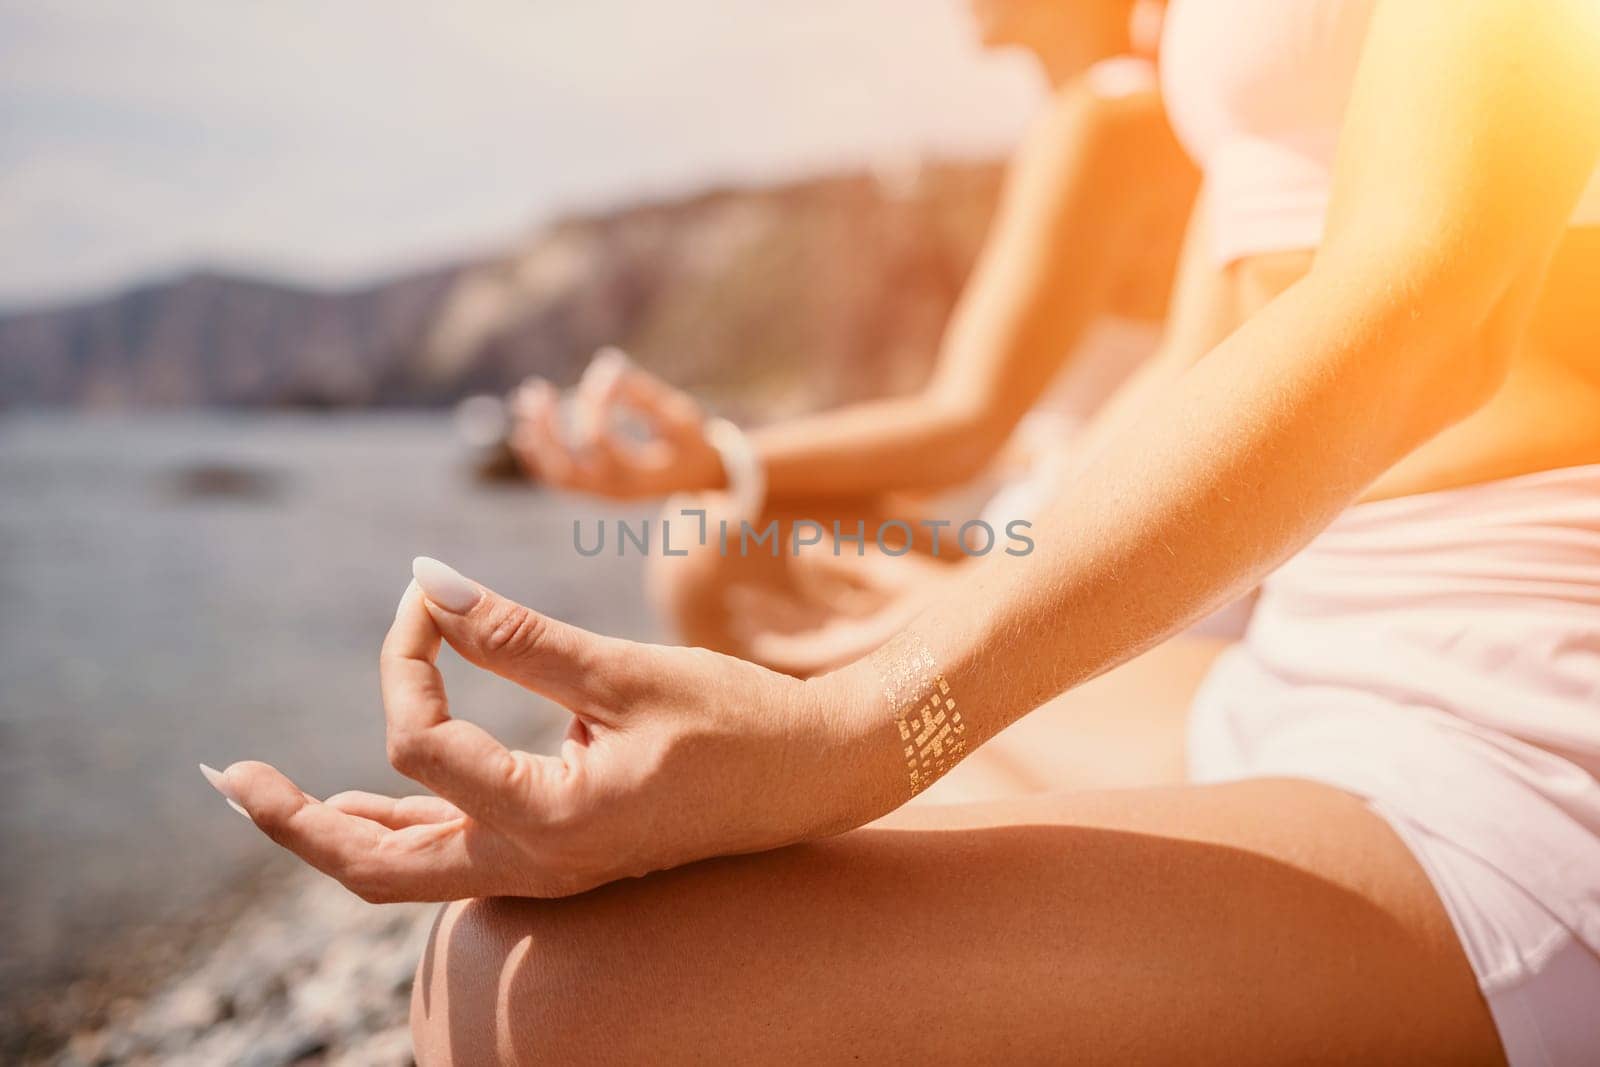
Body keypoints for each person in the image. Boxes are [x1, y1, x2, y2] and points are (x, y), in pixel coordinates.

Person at [207, 0, 1600, 1062]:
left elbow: (1435, 309)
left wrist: (868, 729)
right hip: (1278, 665)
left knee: (521, 992)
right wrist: (892, 627)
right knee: (575, 887)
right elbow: (1210, 356)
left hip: (1512, 739)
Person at [508, 0, 1200, 682]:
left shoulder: (1101, 123)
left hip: (1083, 552)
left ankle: (790, 782)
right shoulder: (1144, 113)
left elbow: (962, 430)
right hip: (1093, 528)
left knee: (711, 542)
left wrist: (710, 460)